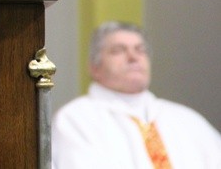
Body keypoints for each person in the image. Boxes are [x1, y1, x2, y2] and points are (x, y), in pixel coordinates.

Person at [52, 21, 221, 168]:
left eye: (140, 50)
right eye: (118, 50)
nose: (133, 57)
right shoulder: (76, 120)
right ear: (94, 67)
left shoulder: (188, 120)